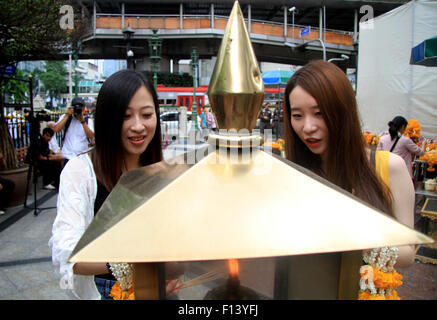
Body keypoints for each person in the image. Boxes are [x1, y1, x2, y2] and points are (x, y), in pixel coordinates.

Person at [49, 70, 179, 300]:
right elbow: (68, 252)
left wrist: (167, 275)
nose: (138, 126)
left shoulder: (162, 169)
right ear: (107, 119)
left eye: (147, 114)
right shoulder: (81, 172)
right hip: (105, 290)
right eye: (125, 116)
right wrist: (128, 264)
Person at [283, 60, 415, 269]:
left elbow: (408, 255)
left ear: (343, 111)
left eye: (319, 113)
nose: (307, 127)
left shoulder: (389, 167)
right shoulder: (289, 171)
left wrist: (347, 229)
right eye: (297, 115)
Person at [52, 97, 94, 165]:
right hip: (68, 156)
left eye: (80, 107)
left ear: (83, 108)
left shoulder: (88, 121)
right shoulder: (66, 117)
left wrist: (82, 121)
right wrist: (67, 115)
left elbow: (91, 136)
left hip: (82, 157)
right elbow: (56, 129)